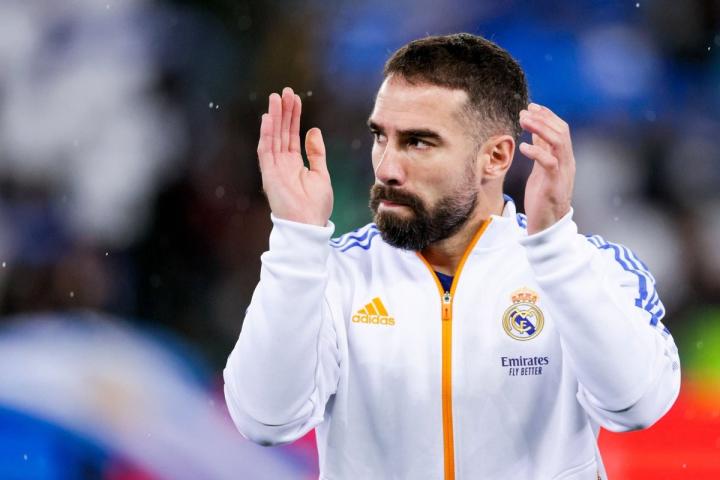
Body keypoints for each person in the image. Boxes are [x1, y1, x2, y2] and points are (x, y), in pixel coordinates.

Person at [223, 33, 680, 479]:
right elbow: (266, 420)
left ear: (496, 157)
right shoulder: (329, 273)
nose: (387, 168)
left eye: (418, 142)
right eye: (381, 137)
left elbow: (636, 406)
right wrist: (297, 238)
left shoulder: (588, 267)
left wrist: (553, 249)